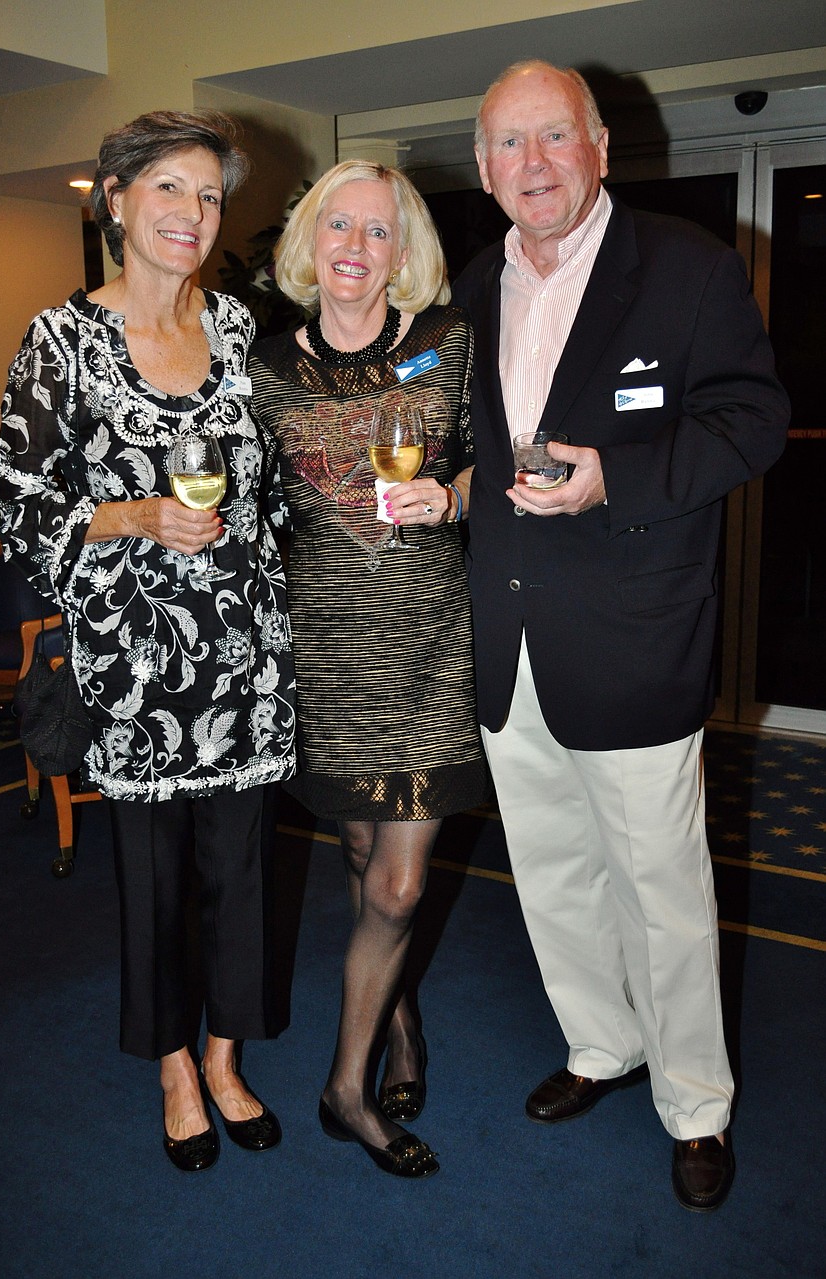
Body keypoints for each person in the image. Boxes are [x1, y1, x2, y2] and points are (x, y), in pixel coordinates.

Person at [453, 61, 790, 1211]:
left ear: (599, 145)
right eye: (508, 144)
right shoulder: (468, 288)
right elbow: (462, 445)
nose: (532, 163)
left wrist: (618, 480)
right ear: (483, 168)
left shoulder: (687, 267)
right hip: (508, 641)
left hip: (636, 637)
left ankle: (696, 1105)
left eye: (553, 136)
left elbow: (754, 419)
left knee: (661, 890)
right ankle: (601, 1042)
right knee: (551, 872)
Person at [0, 111, 296, 1173]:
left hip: (246, 656)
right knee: (158, 882)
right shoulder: (60, 343)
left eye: (209, 196)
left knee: (243, 875)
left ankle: (225, 1057)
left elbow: (269, 489)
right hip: (137, 668)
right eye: (170, 187)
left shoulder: (240, 328)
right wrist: (132, 515)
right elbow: (19, 509)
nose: (193, 213)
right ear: (116, 201)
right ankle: (173, 1068)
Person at [249, 160, 490, 1179]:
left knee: (397, 882)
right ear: (311, 240)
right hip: (326, 648)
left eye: (378, 231)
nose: (355, 246)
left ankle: (344, 1089)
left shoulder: (449, 342)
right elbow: (251, 498)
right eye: (338, 225)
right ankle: (397, 1022)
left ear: (404, 252)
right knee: (358, 853)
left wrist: (455, 496)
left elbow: (494, 455)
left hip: (429, 640)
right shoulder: (263, 364)